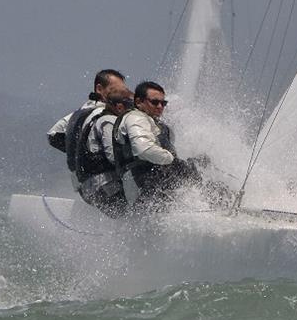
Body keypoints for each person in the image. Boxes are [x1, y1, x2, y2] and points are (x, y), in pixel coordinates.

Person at [114, 81, 205, 212]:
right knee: (197, 182)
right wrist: (171, 159)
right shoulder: (135, 118)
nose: (160, 106)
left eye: (163, 103)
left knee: (197, 168)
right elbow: (144, 149)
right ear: (139, 102)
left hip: (152, 184)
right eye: (155, 102)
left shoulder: (150, 121)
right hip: (143, 187)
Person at [47, 69, 128, 189]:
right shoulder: (105, 114)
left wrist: (80, 154)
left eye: (122, 92)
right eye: (115, 91)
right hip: (105, 182)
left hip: (84, 186)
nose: (120, 96)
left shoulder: (78, 113)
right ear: (99, 89)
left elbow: (52, 135)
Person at [74, 89, 134, 218]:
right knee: (130, 217)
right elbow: (113, 155)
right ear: (119, 107)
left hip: (92, 186)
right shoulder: (109, 121)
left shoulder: (100, 119)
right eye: (132, 108)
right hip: (103, 185)